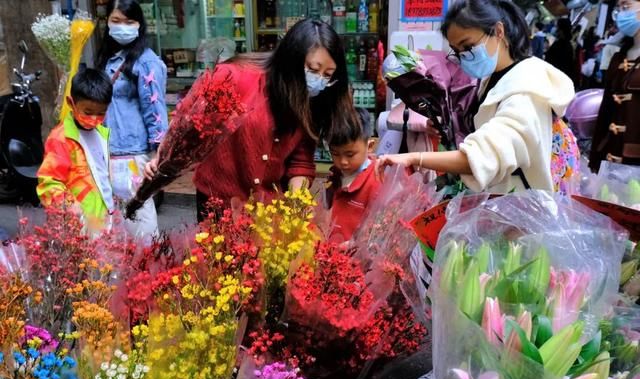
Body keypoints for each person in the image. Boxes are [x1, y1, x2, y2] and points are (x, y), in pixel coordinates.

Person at [144, 19, 360, 221]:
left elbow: (301, 161)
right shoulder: (233, 78)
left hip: (267, 211)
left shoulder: (313, 100)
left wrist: (295, 205)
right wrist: (165, 157)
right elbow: (188, 123)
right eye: (313, 70)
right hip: (218, 205)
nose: (319, 80)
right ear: (291, 58)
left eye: (328, 74)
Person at [376, 0, 575, 193]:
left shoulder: (525, 88)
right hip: (506, 202)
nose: (463, 57)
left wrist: (415, 158)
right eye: (457, 51)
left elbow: (486, 154)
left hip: (525, 207)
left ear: (498, 31)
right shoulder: (494, 79)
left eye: (468, 46)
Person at [97, 0, 168, 237]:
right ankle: (126, 271)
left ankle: (150, 268)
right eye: (116, 21)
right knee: (116, 222)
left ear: (140, 24)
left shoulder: (146, 62)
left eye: (129, 22)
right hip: (108, 150)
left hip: (133, 153)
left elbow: (155, 111)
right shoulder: (108, 58)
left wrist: (158, 154)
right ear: (107, 22)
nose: (122, 27)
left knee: (139, 218)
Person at [37, 68, 115, 231]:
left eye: (101, 113)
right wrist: (72, 210)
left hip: (105, 217)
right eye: (88, 112)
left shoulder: (101, 133)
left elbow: (101, 174)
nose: (94, 119)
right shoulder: (61, 138)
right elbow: (48, 182)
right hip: (78, 224)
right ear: (71, 103)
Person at [590, 0, 640, 171]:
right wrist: (595, 160)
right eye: (618, 8)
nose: (620, 13)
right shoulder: (618, 58)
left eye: (626, 7)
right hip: (611, 158)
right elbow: (606, 113)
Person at [324, 108, 381, 242]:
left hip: (355, 257)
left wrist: (355, 244)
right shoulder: (334, 175)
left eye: (350, 155)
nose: (343, 162)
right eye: (335, 154)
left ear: (370, 146)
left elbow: (376, 231)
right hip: (330, 251)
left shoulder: (376, 180)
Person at [546, 18, 577, 86]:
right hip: (564, 80)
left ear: (561, 30)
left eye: (557, 27)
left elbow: (550, 61)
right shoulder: (570, 45)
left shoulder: (559, 45)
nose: (556, 30)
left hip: (555, 81)